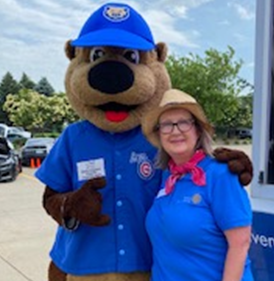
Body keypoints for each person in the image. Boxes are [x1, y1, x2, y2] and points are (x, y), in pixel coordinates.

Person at [142, 88, 254, 281]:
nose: (175, 131)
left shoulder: (220, 174)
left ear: (198, 129)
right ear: (159, 134)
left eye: (183, 123)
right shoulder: (167, 177)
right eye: (166, 125)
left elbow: (240, 244)